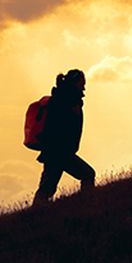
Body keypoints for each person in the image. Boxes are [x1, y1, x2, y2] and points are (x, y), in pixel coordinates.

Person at [33, 69, 95, 203]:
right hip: (60, 152)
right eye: (82, 83)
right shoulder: (67, 100)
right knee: (88, 174)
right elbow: (60, 127)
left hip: (55, 152)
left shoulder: (64, 97)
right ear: (75, 82)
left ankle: (34, 214)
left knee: (47, 188)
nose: (84, 87)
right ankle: (88, 204)